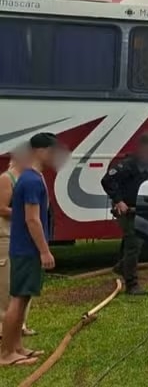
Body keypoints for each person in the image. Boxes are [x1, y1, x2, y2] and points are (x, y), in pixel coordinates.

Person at [0, 132, 63, 369]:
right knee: (18, 299)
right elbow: (32, 219)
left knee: (24, 297)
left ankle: (17, 347)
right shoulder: (32, 181)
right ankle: (6, 353)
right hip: (26, 250)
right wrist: (45, 251)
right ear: (40, 151)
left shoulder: (30, 177)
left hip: (24, 249)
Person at [101, 132, 148, 296]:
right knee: (134, 244)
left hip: (140, 210)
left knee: (137, 242)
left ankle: (123, 266)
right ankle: (132, 285)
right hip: (127, 211)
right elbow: (107, 180)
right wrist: (118, 201)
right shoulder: (128, 164)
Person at [0, 146, 36, 340]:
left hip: (24, 237)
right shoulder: (6, 179)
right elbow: (1, 208)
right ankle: (3, 326)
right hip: (7, 236)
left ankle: (20, 324)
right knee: (6, 284)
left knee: (23, 282)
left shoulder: (28, 179)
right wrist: (25, 213)